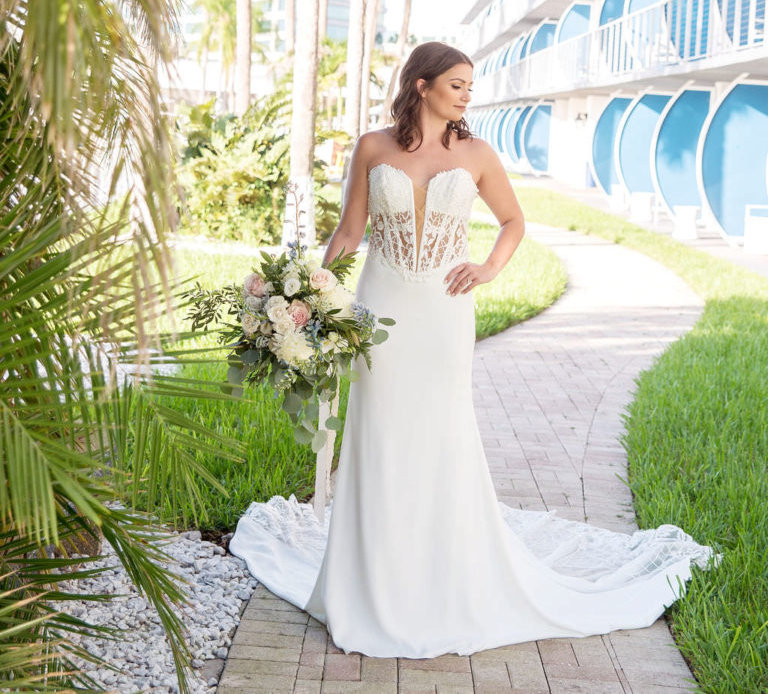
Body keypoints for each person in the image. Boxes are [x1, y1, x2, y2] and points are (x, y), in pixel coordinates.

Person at [230, 40, 712, 658]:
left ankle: (443, 579)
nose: (466, 93)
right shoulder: (373, 148)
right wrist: (305, 288)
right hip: (382, 307)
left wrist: (487, 269)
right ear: (422, 85)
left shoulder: (479, 154)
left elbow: (514, 222)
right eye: (456, 83)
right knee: (378, 434)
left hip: (444, 311)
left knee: (442, 434)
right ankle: (371, 584)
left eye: (469, 84)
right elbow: (351, 231)